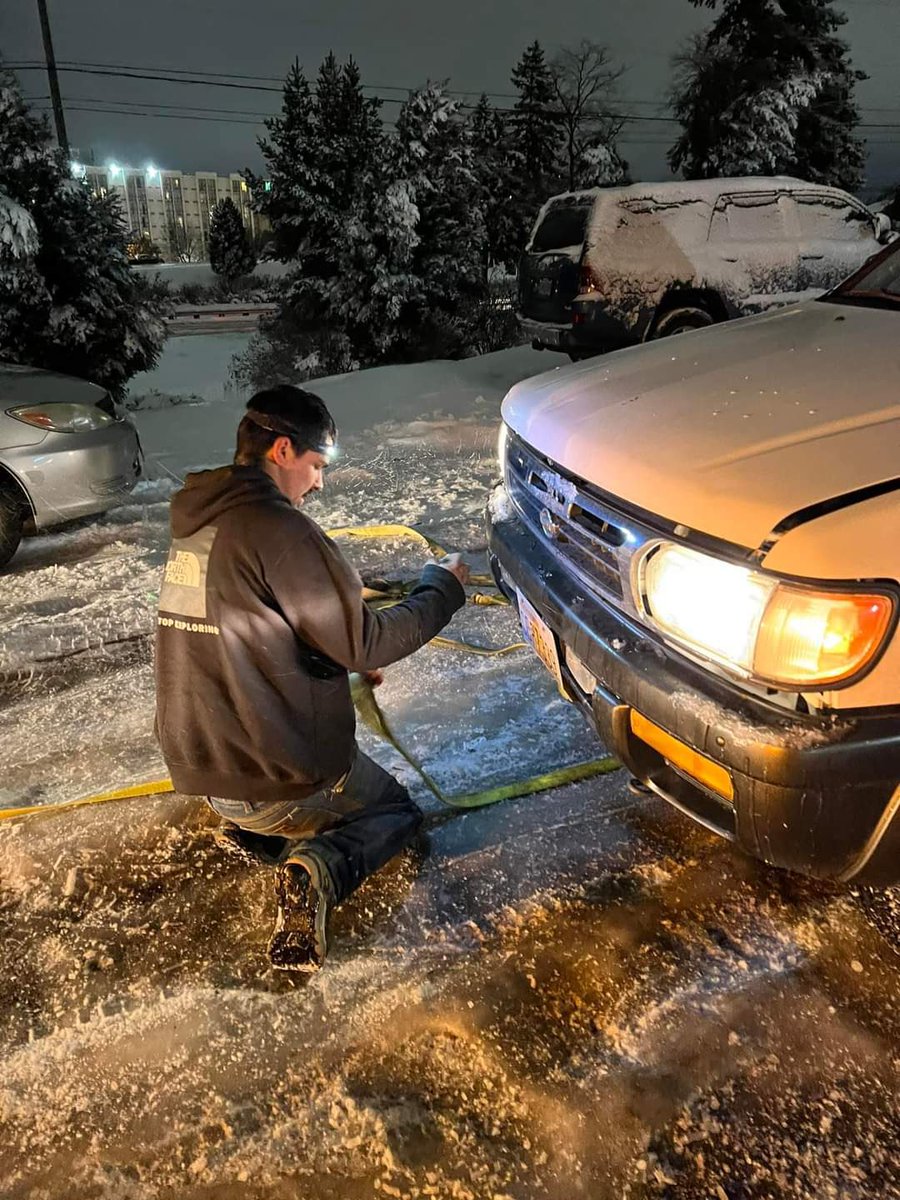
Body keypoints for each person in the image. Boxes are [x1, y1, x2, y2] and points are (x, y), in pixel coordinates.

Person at [154, 384, 469, 972]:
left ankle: (260, 835)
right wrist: (441, 587)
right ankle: (311, 868)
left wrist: (331, 661)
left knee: (285, 797)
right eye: (316, 465)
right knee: (393, 812)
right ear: (281, 451)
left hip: (207, 767)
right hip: (276, 772)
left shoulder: (202, 522)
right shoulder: (284, 532)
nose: (319, 483)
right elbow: (369, 641)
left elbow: (250, 632)